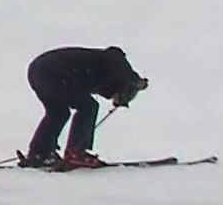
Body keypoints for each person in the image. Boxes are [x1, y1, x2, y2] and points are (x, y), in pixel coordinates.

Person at [21, 46, 149, 168]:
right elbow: (116, 59)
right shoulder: (117, 65)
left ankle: (40, 153)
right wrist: (136, 80)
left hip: (37, 70)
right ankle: (77, 153)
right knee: (89, 107)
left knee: (58, 112)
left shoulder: (103, 71)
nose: (115, 100)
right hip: (54, 72)